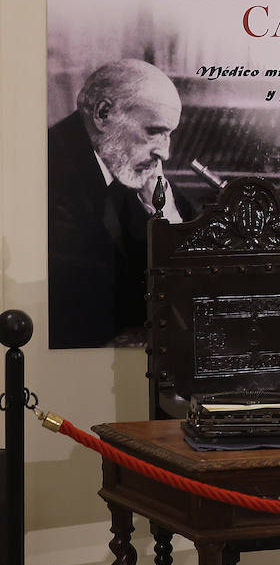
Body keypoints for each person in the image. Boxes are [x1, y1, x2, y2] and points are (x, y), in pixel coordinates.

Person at [48, 58, 189, 348]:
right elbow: (85, 309)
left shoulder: (123, 163)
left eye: (169, 134)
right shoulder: (50, 174)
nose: (165, 153)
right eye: (154, 131)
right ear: (103, 113)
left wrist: (164, 212)